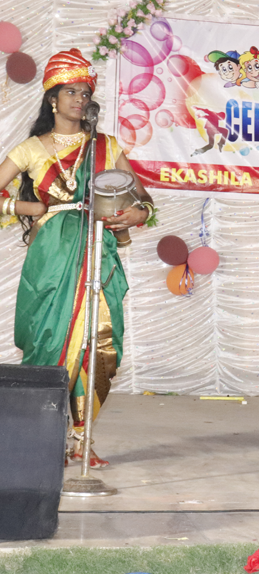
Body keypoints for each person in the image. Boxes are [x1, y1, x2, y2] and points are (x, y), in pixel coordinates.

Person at [0, 49, 154, 468]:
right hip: (52, 258)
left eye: (85, 93)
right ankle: (42, 436)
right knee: (50, 340)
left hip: (98, 249)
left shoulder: (106, 146)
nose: (80, 100)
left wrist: (135, 215)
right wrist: (29, 208)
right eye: (71, 92)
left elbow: (144, 200)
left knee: (99, 342)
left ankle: (80, 441)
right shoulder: (31, 149)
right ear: (52, 98)